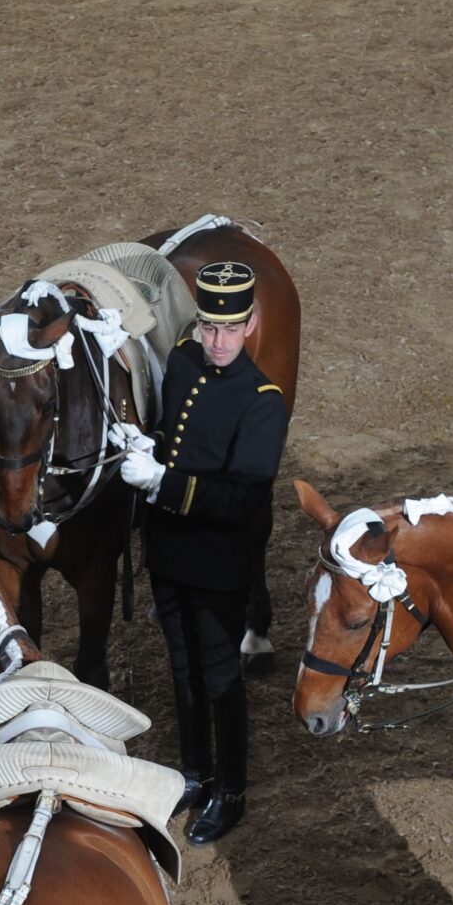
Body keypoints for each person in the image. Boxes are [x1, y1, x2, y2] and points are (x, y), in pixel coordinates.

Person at [121, 259, 291, 845]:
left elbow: (243, 496)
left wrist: (159, 482)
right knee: (182, 668)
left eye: (229, 328)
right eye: (207, 328)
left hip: (219, 565)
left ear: (251, 325)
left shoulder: (263, 400)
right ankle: (195, 772)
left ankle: (231, 789)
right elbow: (176, 434)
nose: (216, 342)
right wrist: (148, 444)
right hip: (168, 552)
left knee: (221, 678)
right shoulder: (184, 361)